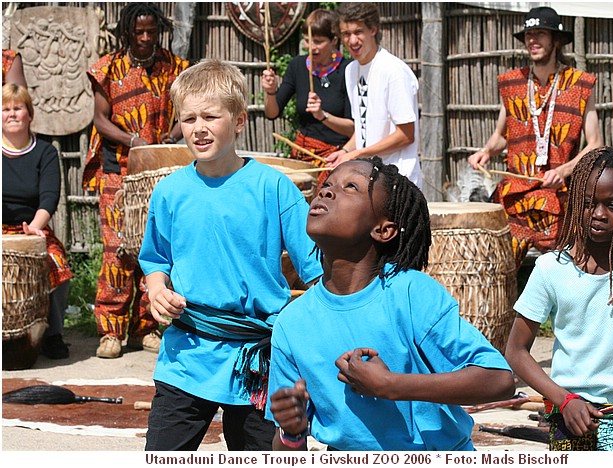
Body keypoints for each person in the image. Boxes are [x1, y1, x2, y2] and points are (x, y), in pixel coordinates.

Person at [266, 157, 515, 451]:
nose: (327, 192)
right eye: (328, 184)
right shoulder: (292, 322)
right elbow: (285, 453)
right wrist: (291, 434)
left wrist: (391, 385)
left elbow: (499, 379)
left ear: (383, 230)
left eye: (351, 187)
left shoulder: (410, 294)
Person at [138, 58, 323, 451]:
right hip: (187, 355)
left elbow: (318, 273)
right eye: (189, 119)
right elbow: (155, 261)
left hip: (259, 361)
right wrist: (157, 291)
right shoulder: (170, 192)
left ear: (239, 121)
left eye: (211, 116)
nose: (199, 128)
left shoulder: (275, 189)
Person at [505, 147, 613, 451]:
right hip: (573, 416)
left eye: (612, 205)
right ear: (576, 203)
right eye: (589, 204)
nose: (599, 214)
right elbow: (516, 351)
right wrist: (564, 399)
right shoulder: (551, 270)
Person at [82, 3, 189, 359]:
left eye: (151, 32)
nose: (145, 39)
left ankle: (146, 326)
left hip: (158, 170)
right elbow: (100, 119)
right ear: (126, 32)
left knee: (153, 249)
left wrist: (170, 139)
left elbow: (185, 111)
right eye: (138, 32)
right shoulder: (108, 68)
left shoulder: (173, 68)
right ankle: (110, 330)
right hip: (119, 169)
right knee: (117, 249)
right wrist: (132, 141)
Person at [468, 6, 603, 270]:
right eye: (529, 34)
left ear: (556, 40)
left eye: (540, 34)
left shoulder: (580, 83)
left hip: (559, 197)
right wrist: (486, 151)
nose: (533, 40)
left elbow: (596, 143)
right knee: (499, 271)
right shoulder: (512, 83)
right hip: (515, 197)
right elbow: (501, 135)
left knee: (567, 273)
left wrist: (563, 171)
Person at [2, 83, 72, 360]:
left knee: (57, 264)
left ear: (29, 114)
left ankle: (52, 334)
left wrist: (34, 229)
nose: (12, 114)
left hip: (32, 226)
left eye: (18, 108)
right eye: (5, 109)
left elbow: (49, 197)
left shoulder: (45, 152)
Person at [325, 3, 423, 189]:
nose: (352, 40)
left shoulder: (393, 71)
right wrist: (346, 150)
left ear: (373, 30)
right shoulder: (351, 70)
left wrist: (357, 155)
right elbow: (364, 129)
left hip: (399, 182)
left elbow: (406, 135)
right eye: (346, 34)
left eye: (358, 32)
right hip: (368, 180)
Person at [262, 8, 353, 187]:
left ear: (334, 40)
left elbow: (355, 130)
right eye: (307, 40)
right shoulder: (297, 66)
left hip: (334, 159)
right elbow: (272, 113)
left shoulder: (348, 70)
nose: (311, 47)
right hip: (301, 155)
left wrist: (322, 115)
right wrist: (270, 92)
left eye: (318, 42)